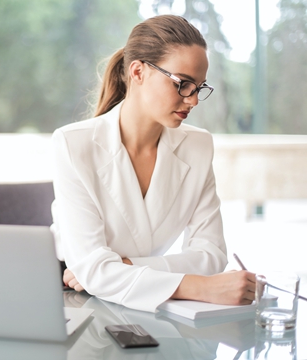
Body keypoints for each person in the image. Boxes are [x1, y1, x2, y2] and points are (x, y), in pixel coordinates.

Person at [50, 14, 256, 313]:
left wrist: (129, 266)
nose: (193, 100)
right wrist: (197, 286)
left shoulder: (197, 146)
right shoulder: (73, 144)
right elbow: (92, 271)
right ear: (137, 72)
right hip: (71, 299)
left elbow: (211, 254)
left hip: (141, 303)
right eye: (183, 84)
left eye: (199, 87)